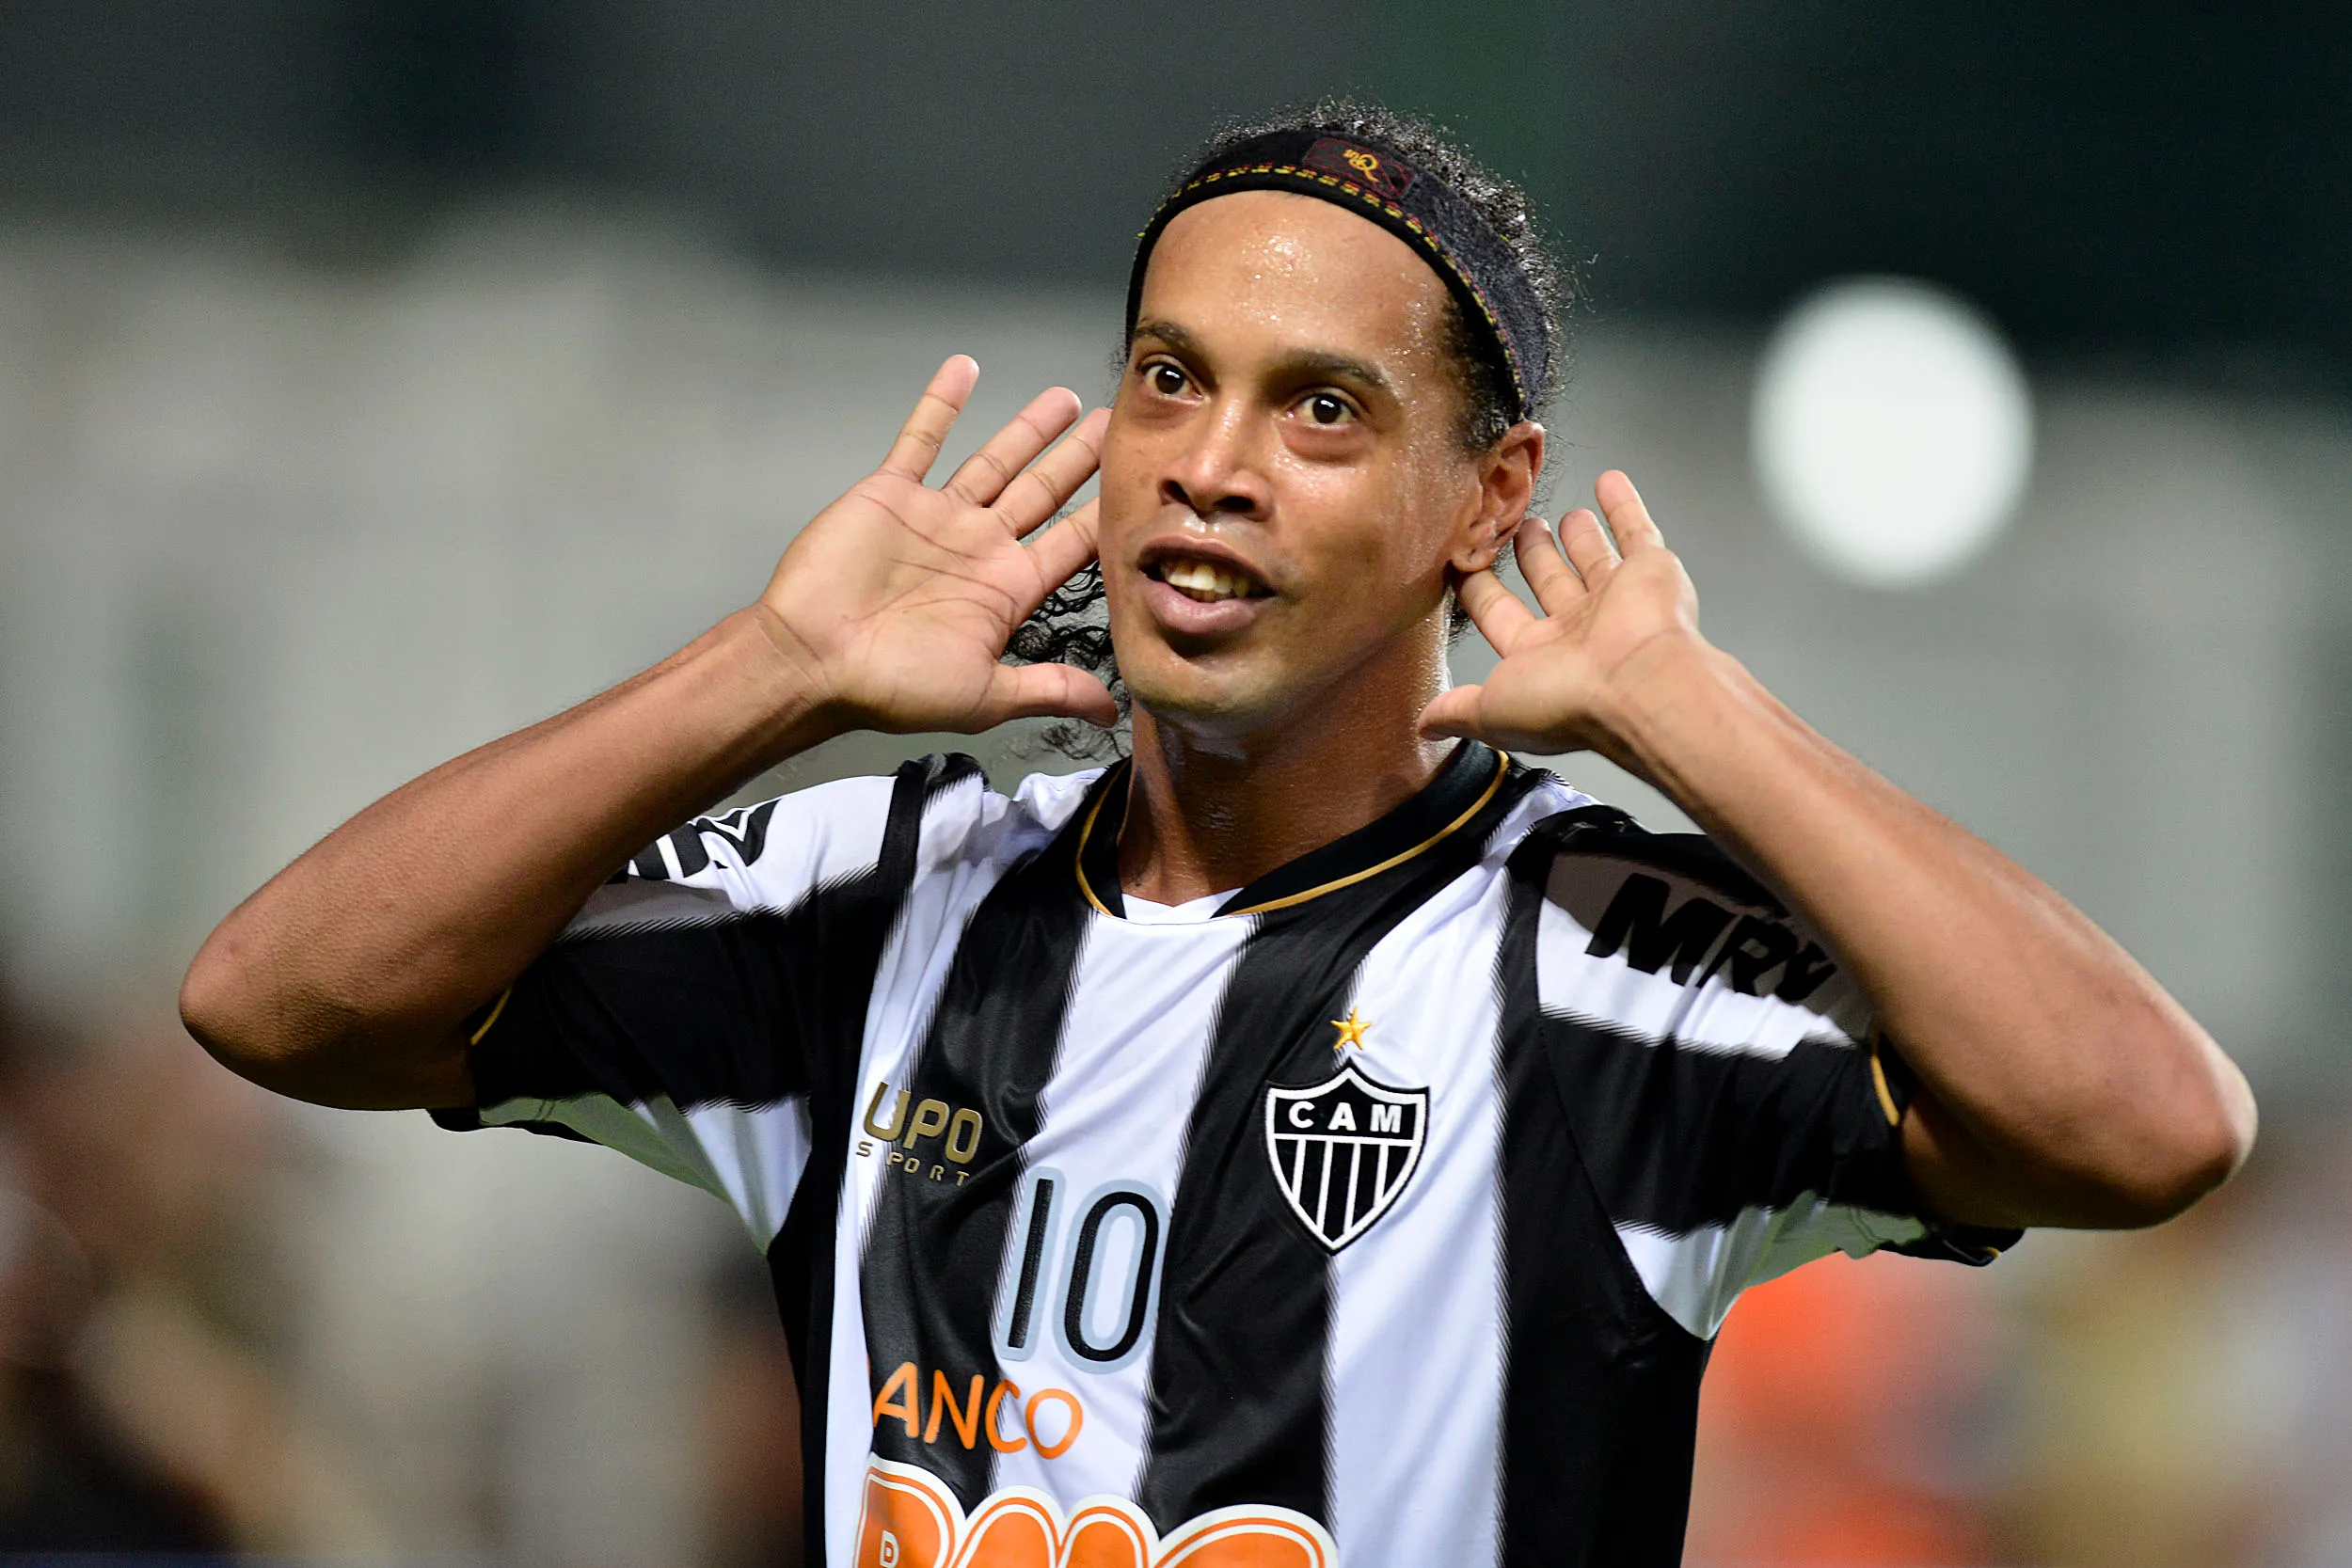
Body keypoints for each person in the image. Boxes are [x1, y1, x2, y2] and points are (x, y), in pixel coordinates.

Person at [179, 102, 2255, 1568]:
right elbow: (277, 997)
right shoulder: (884, 895)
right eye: (1168, 381)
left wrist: (1702, 721)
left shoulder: (1587, 957)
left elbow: (2141, 1122)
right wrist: (767, 669)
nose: (1209, 468)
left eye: (1320, 409)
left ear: (1487, 494)